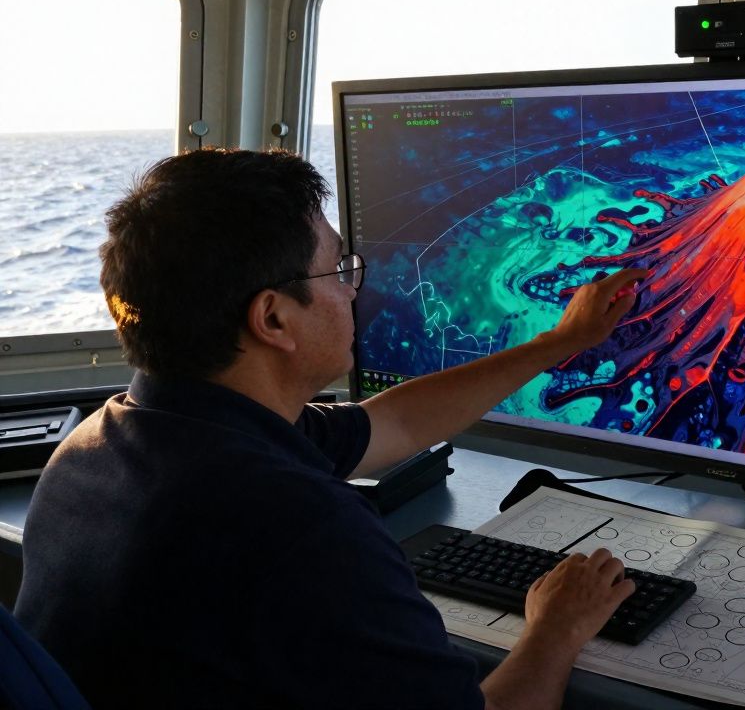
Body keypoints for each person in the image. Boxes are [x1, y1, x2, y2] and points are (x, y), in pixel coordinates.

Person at [14, 147, 650, 710]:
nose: (352, 291)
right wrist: (556, 628)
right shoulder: (302, 531)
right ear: (273, 319)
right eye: (338, 270)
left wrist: (559, 343)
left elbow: (392, 423)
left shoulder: (101, 446)